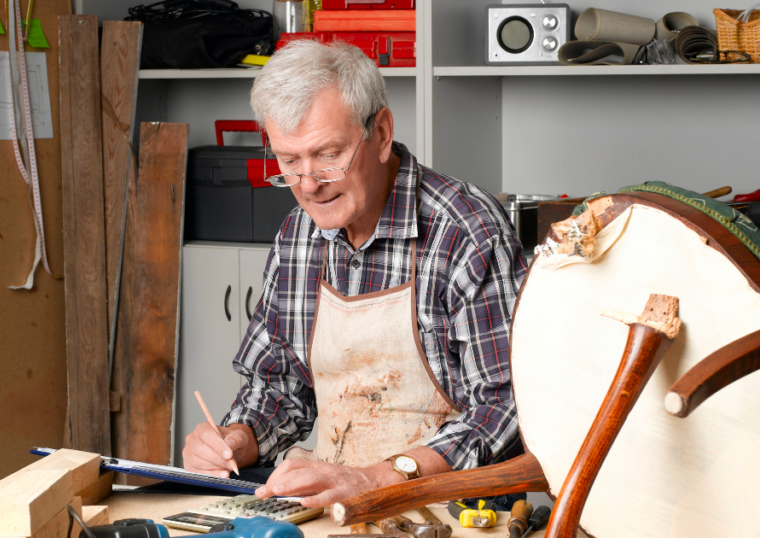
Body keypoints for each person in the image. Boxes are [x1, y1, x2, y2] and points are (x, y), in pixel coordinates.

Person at [182, 39, 528, 508]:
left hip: (458, 509)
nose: (308, 186)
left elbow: (504, 410)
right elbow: (280, 389)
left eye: (328, 155)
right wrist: (239, 438)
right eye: (289, 161)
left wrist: (381, 477)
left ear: (381, 134)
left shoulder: (466, 232)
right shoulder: (297, 238)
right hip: (338, 504)